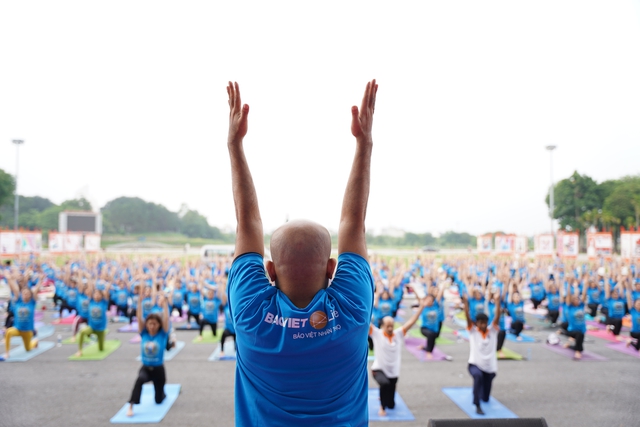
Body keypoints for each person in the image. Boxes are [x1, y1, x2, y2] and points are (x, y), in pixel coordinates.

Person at [226, 80, 377, 425]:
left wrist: (235, 145)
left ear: (270, 269)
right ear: (331, 268)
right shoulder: (352, 309)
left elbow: (247, 223)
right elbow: (353, 223)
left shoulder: (250, 312)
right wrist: (364, 144)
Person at [369, 299, 426, 416]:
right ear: (383, 326)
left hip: (393, 373)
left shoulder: (398, 334)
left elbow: (411, 322)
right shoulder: (377, 334)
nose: (390, 327)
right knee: (384, 384)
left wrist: (421, 308)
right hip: (378, 370)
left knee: (392, 404)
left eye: (391, 325)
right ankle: (382, 407)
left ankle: (386, 400)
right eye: (387, 325)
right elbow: (365, 321)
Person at [126, 289, 170, 417]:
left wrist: (165, 303)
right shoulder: (144, 333)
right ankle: (131, 405)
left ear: (158, 324)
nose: (152, 326)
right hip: (145, 368)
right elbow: (139, 318)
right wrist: (139, 302)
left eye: (154, 324)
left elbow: (166, 318)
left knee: (158, 400)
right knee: (139, 380)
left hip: (159, 370)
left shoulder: (162, 334)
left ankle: (162, 393)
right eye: (150, 323)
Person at [463, 292, 500, 416]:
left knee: (486, 398)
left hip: (489, 368)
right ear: (476, 323)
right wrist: (465, 304)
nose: (483, 325)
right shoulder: (473, 332)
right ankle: (476, 404)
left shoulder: (492, 331)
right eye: (480, 323)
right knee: (477, 377)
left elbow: (497, 316)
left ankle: (481, 394)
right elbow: (467, 317)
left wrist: (498, 301)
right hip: (475, 365)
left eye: (485, 322)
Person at [4, 271, 41, 358]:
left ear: (30, 295)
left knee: (28, 348)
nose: (25, 295)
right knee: (8, 332)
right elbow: (15, 289)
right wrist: (10, 279)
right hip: (18, 329)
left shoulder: (32, 303)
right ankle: (7, 353)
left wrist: (40, 281)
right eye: (24, 293)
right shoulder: (18, 302)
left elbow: (36, 291)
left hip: (28, 331)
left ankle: (35, 341)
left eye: (27, 294)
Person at [74, 280, 110, 357]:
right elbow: (90, 289)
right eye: (95, 294)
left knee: (101, 349)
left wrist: (102, 286)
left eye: (98, 294)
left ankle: (101, 339)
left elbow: (106, 292)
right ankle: (80, 350)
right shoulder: (91, 301)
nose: (96, 295)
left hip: (101, 330)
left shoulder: (104, 302)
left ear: (101, 295)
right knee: (82, 332)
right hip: (91, 327)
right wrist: (90, 280)